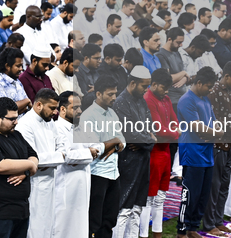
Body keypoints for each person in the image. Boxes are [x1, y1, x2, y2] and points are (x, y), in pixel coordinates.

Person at [76, 77, 125, 238]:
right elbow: (96, 149)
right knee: (94, 220)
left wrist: (116, 143)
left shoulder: (112, 113)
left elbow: (122, 140)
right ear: (98, 93)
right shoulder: (88, 116)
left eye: (115, 94)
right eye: (110, 94)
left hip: (113, 172)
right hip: (96, 173)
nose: (114, 97)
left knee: (110, 219)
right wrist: (115, 142)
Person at [0, 97, 39, 238]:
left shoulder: (16, 135)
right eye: (12, 119)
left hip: (22, 210)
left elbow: (34, 155)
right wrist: (29, 166)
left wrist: (25, 172)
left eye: (17, 117)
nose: (17, 122)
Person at [176, 67, 222, 238]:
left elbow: (214, 124)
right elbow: (198, 128)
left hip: (207, 153)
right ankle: (181, 231)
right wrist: (216, 133)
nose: (210, 90)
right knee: (189, 195)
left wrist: (214, 131)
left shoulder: (205, 100)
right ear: (199, 82)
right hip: (193, 153)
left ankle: (193, 228)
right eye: (208, 86)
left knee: (203, 196)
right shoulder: (186, 100)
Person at [15, 89, 65, 238]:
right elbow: (30, 158)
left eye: (56, 108)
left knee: (49, 226)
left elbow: (62, 146)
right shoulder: (25, 125)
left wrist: (57, 156)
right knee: (35, 227)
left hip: (51, 180)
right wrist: (58, 156)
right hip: (34, 182)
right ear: (38, 105)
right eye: (52, 108)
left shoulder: (50, 122)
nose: (55, 112)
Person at [200, 62, 231, 236]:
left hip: (229, 142)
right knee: (214, 185)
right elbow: (213, 119)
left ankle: (218, 220)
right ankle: (209, 223)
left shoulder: (228, 91)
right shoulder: (214, 92)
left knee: (224, 185)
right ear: (226, 76)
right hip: (217, 144)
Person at [112, 66, 155, 238]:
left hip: (143, 158)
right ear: (132, 83)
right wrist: (149, 139)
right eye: (144, 86)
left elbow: (151, 128)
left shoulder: (142, 100)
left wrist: (147, 141)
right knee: (125, 208)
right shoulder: (121, 102)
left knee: (137, 207)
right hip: (128, 160)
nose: (146, 90)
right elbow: (129, 132)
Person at [53, 92, 100, 238]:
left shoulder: (81, 127)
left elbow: (96, 147)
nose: (80, 111)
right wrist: (87, 153)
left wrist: (84, 154)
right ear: (62, 109)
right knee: (63, 227)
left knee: (80, 228)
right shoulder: (56, 128)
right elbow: (65, 155)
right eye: (75, 108)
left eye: (80, 107)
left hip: (83, 186)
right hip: (66, 187)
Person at [139, 69, 179, 238]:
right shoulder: (148, 99)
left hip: (165, 152)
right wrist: (175, 132)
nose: (166, 91)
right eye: (163, 87)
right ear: (153, 84)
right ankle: (142, 234)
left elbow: (175, 122)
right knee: (149, 196)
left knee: (161, 195)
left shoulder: (166, 98)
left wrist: (172, 131)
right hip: (154, 153)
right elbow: (158, 128)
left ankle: (157, 233)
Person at [0, 48, 32, 114]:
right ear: (7, 66)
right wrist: (26, 102)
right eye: (18, 66)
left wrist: (22, 105)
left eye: (21, 65)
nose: (21, 69)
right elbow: (4, 110)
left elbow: (26, 107)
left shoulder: (17, 82)